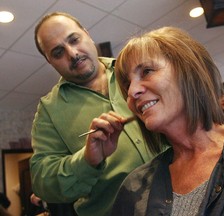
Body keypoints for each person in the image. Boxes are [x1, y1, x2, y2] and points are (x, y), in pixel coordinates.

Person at [109, 26, 224, 215]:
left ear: (190, 71)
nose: (132, 91)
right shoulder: (133, 190)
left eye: (146, 71)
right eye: (127, 84)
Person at [29, 12, 153, 216]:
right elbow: (43, 182)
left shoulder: (134, 70)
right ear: (49, 61)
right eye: (58, 52)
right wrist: (86, 160)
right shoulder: (48, 111)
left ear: (87, 34)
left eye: (74, 40)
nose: (72, 53)